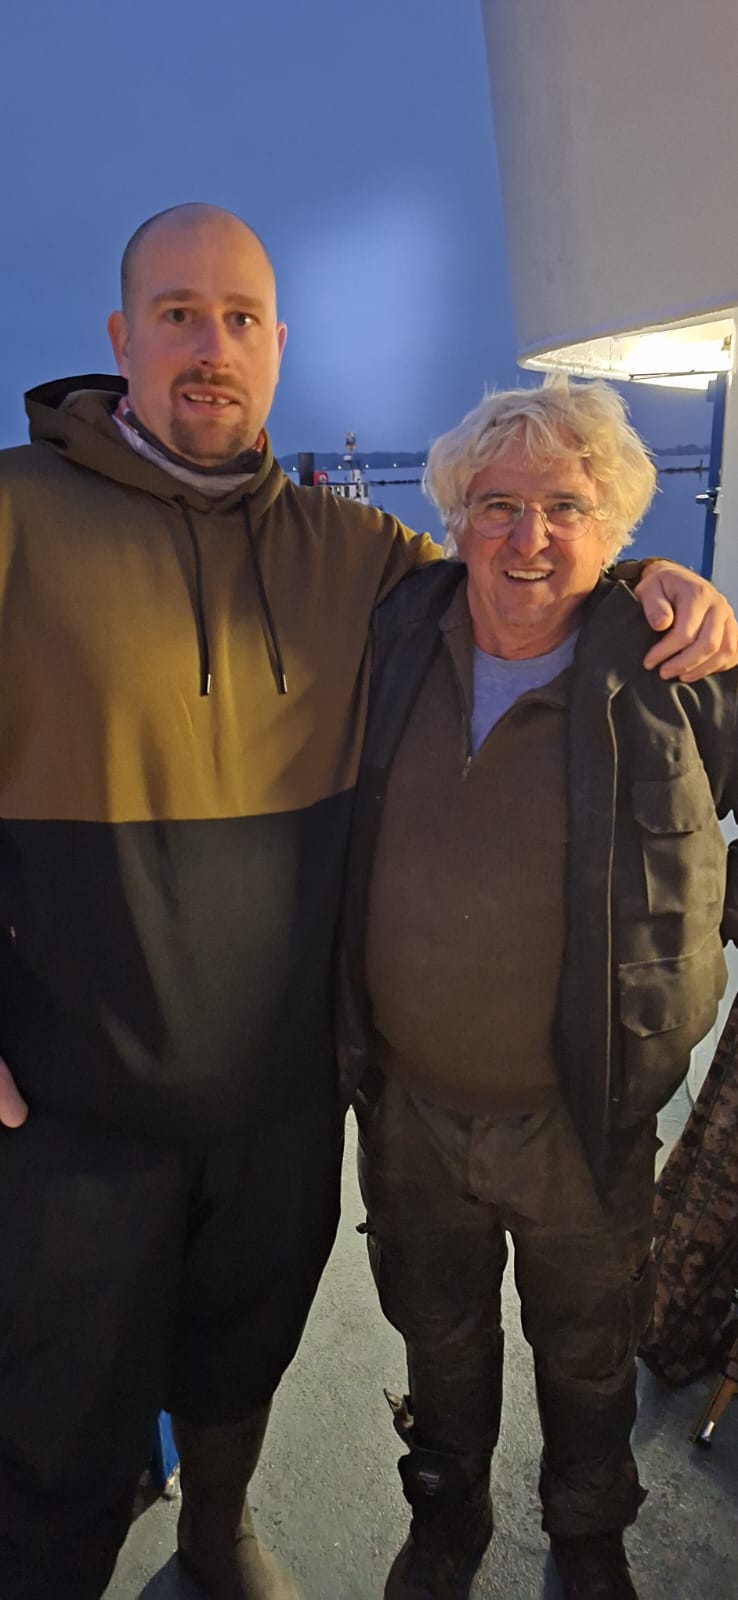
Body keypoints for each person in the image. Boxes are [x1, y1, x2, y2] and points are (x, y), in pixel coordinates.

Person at [0, 204, 734, 1600]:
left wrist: (666, 586)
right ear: (119, 336)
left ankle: (278, 1537)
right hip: (134, 1087)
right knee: (70, 1387)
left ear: (278, 346)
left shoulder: (393, 569)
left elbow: (558, 582)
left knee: (293, 1337)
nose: (210, 348)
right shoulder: (36, 523)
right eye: (176, 314)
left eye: (238, 319)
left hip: (357, 1091)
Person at [339, 378, 738, 1600]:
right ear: (456, 518)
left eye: (568, 506)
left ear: (615, 527)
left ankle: (589, 1534)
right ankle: (446, 1517)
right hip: (408, 1107)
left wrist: (692, 590)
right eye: (499, 505)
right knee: (440, 1337)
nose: (530, 537)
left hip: (585, 1109)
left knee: (587, 1350)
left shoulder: (676, 669)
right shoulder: (392, 642)